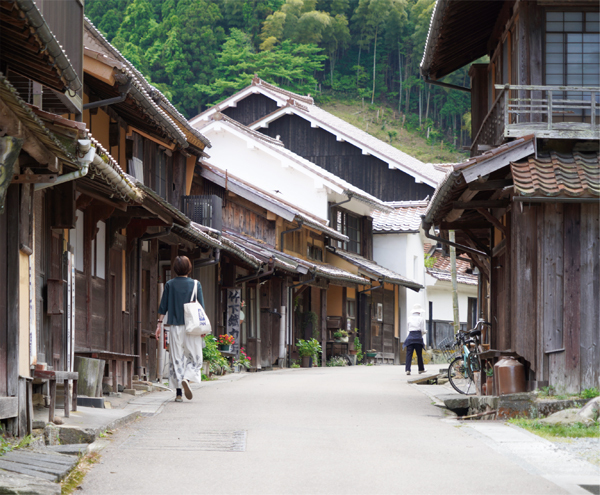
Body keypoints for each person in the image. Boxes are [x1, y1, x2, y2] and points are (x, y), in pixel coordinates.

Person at [156, 256, 205, 402]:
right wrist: (202, 329)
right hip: (192, 327)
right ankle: (187, 379)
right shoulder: (196, 284)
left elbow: (163, 307)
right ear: (189, 268)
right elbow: (201, 308)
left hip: (175, 327)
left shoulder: (170, 284)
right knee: (195, 358)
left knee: (177, 359)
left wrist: (159, 325)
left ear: (175, 269)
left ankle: (178, 394)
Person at [403, 303, 427, 376]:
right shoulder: (421, 318)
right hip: (418, 338)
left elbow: (408, 329)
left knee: (409, 354)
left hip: (410, 337)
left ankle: (407, 370)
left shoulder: (409, 318)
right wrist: (424, 332)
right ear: (419, 312)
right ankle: (421, 369)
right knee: (419, 354)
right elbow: (422, 330)